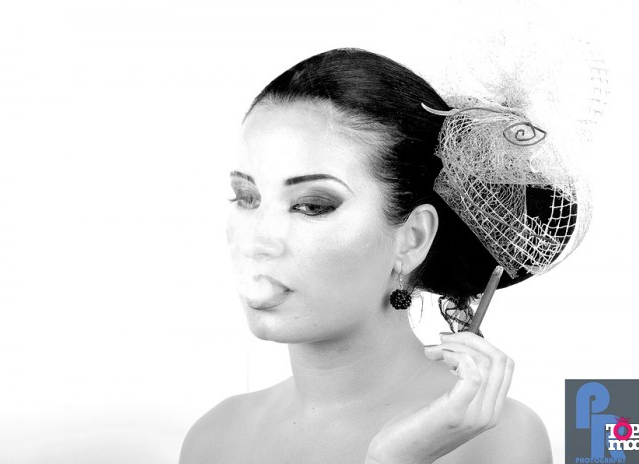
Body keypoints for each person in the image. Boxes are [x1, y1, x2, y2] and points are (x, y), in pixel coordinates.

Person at [180, 48, 553, 464]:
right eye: (247, 197)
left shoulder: (498, 440)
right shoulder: (214, 437)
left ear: (411, 239)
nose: (257, 241)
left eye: (312, 206)